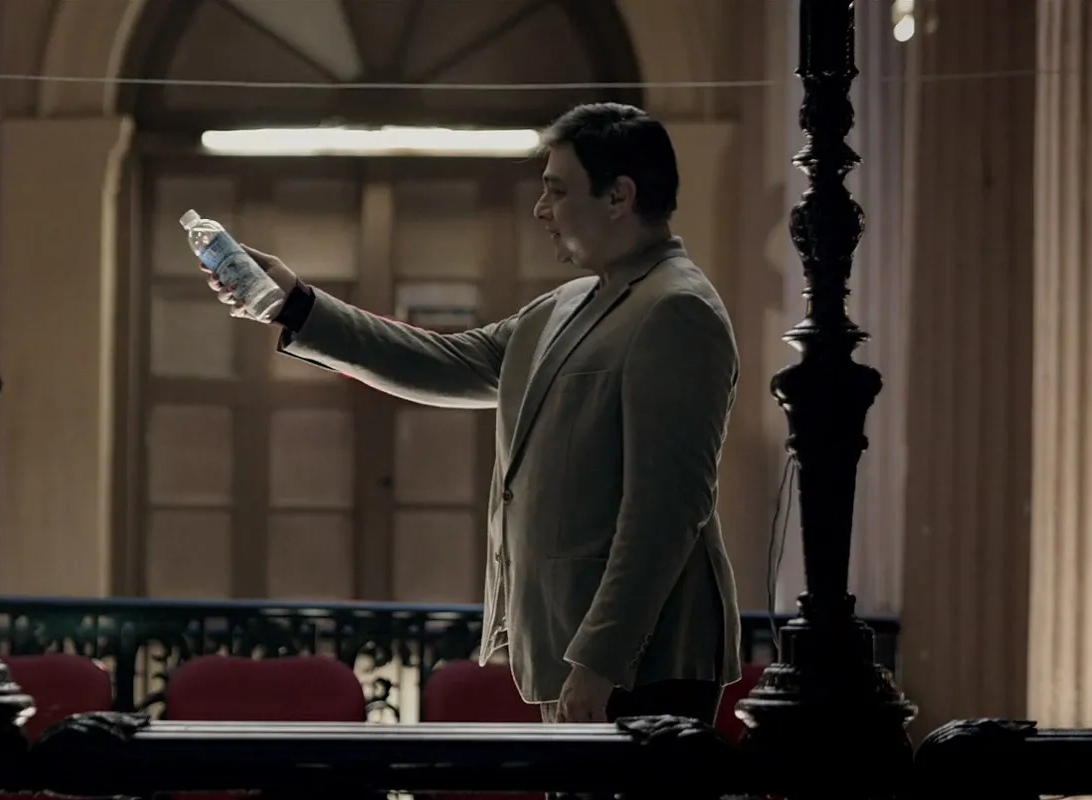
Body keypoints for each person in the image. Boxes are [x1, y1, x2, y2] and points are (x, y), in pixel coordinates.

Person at [205, 103, 741, 727]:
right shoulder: (569, 304)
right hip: (577, 649)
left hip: (644, 661)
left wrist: (602, 658)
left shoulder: (677, 310)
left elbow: (665, 510)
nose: (541, 209)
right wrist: (295, 307)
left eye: (557, 190)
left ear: (619, 196)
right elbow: (445, 362)